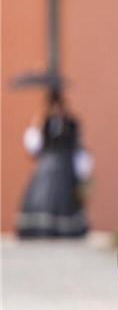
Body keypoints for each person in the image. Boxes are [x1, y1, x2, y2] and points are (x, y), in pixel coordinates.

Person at [17, 89, 91, 238]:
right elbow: (33, 148)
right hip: (47, 167)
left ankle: (65, 230)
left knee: (65, 199)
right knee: (42, 196)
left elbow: (78, 147)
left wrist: (83, 171)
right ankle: (40, 230)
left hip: (65, 168)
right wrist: (37, 122)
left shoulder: (71, 124)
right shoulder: (43, 123)